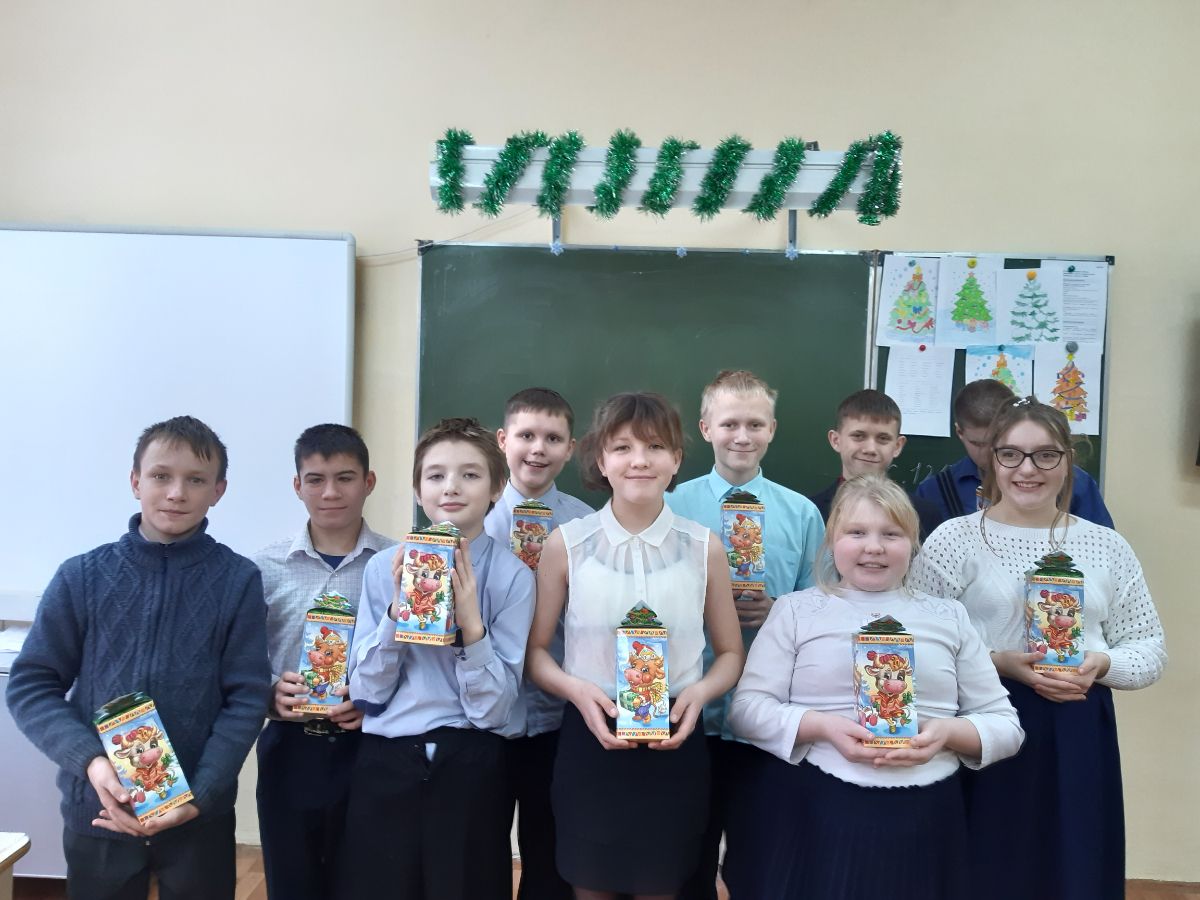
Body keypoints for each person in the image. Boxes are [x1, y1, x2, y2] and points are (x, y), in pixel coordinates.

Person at [910, 397, 1166, 900]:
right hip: (980, 724)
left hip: (1076, 728)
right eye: (1011, 454)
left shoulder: (1105, 546)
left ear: (1068, 460)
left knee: (1072, 866)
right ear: (991, 459)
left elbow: (1150, 647)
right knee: (987, 867)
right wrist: (998, 664)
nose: (1027, 469)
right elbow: (917, 643)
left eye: (1045, 455)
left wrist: (1102, 663)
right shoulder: (953, 540)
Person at [6, 416, 270, 900]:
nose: (176, 493)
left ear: (219, 491)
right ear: (135, 481)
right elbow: (31, 685)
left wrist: (201, 795)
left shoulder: (238, 581)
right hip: (99, 813)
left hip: (198, 819)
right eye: (160, 476)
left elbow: (246, 699)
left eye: (196, 480)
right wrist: (91, 763)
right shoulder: (81, 576)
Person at [724, 475, 1023, 900]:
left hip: (928, 815)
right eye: (857, 532)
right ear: (832, 541)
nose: (874, 547)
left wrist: (946, 733)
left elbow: (1006, 726)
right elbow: (747, 710)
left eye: (891, 534)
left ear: (913, 544)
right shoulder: (795, 611)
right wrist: (822, 726)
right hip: (815, 804)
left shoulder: (949, 616)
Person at [527, 392, 744, 900]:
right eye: (622, 447)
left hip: (675, 737)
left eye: (655, 446)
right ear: (601, 461)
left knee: (661, 885)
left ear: (676, 460)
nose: (640, 460)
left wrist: (698, 695)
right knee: (590, 885)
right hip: (592, 735)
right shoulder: (567, 544)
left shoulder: (704, 547)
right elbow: (536, 653)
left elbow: (731, 653)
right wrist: (577, 693)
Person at [340, 417, 536, 900]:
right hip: (388, 761)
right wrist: (396, 614)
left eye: (470, 474)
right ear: (417, 489)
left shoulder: (513, 577)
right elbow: (366, 692)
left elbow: (492, 711)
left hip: (471, 763)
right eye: (435, 475)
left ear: (496, 488)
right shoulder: (382, 569)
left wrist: (472, 627)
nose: (451, 487)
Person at [665, 369, 824, 900]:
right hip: (688, 711)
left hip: (768, 715)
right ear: (706, 428)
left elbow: (822, 609)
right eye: (730, 423)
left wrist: (779, 610)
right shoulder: (670, 506)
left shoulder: (801, 514)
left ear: (772, 430)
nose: (742, 436)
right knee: (687, 854)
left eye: (755, 424)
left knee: (761, 857)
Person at [253, 424, 395, 900]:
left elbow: (417, 659)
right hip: (289, 748)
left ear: (369, 482)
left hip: (371, 747)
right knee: (291, 881)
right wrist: (269, 691)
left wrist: (377, 703)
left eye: (345, 478)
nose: (330, 492)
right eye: (315, 479)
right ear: (298, 486)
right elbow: (240, 659)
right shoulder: (264, 567)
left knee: (366, 883)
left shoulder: (398, 564)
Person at [483, 387, 593, 900]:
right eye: (526, 435)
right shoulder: (471, 519)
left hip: (558, 716)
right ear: (502, 440)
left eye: (552, 438)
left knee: (549, 854)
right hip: (485, 717)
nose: (537, 449)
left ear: (571, 448)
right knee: (479, 848)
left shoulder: (587, 526)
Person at [915, 378, 1114, 526]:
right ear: (960, 432)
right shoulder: (934, 491)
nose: (990, 454)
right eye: (979, 444)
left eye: (1006, 449)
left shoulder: (1075, 482)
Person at [810, 388, 945, 540]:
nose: (870, 449)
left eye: (883, 439)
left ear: (898, 446)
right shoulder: (810, 513)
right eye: (858, 436)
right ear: (836, 440)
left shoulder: (923, 514)